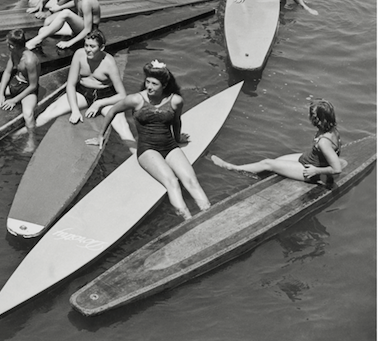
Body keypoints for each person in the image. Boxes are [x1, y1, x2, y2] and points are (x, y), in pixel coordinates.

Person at [88, 59, 211, 221]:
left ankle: (209, 214)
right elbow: (112, 111)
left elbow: (176, 121)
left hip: (169, 145)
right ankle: (188, 221)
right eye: (148, 82)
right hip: (147, 149)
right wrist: (100, 136)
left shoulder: (175, 101)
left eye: (154, 84)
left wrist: (177, 138)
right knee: (172, 182)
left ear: (164, 85)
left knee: (191, 181)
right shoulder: (136, 100)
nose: (149, 87)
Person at [35, 30, 134, 147]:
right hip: (82, 92)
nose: (88, 49)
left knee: (122, 128)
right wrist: (75, 109)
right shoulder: (79, 54)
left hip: (105, 96)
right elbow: (71, 84)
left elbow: (122, 95)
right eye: (86, 45)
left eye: (92, 46)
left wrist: (99, 104)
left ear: (101, 47)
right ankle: (24, 136)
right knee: (47, 114)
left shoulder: (109, 63)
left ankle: (138, 160)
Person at [212, 99, 343, 185]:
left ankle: (231, 168)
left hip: (310, 171)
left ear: (316, 119)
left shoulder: (324, 143)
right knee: (276, 161)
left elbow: (337, 169)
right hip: (309, 159)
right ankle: (257, 178)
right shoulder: (332, 129)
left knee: (268, 163)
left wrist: (315, 171)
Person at [0, 28, 42, 131]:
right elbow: (7, 72)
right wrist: (0, 94)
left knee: (28, 115)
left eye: (8, 44)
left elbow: (33, 86)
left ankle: (31, 142)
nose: (7, 46)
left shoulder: (30, 61)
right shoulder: (14, 53)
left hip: (27, 89)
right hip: (14, 83)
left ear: (13, 46)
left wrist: (14, 100)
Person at [25, 0, 100, 51]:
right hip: (78, 27)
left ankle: (35, 41)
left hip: (90, 33)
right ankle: (38, 43)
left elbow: (87, 29)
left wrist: (69, 43)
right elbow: (76, 2)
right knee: (43, 30)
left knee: (66, 13)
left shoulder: (86, 1)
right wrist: (59, 7)